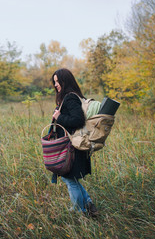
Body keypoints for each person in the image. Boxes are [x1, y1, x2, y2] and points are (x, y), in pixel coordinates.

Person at [50, 68, 98, 217]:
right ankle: (88, 203)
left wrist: (59, 117)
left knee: (70, 179)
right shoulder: (70, 97)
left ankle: (80, 211)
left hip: (72, 146)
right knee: (70, 178)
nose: (55, 84)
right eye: (55, 82)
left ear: (65, 81)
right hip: (71, 145)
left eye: (58, 81)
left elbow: (78, 120)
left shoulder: (70, 97)